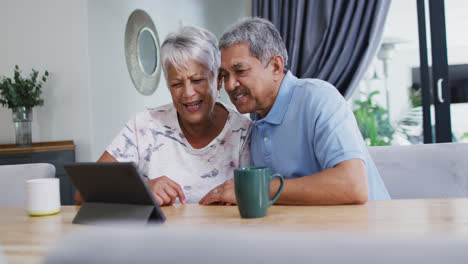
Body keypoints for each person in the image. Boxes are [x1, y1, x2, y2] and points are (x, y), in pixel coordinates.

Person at [199, 17, 390, 206]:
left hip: (370, 232)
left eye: (240, 71)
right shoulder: (255, 127)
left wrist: (255, 188)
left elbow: (353, 186)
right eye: (225, 75)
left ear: (275, 66)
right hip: (312, 233)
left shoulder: (319, 98)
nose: (230, 85)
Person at [75, 26, 251, 206]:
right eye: (176, 84)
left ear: (219, 80)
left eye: (197, 80)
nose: (188, 93)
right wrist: (141, 189)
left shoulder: (243, 131)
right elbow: (83, 194)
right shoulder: (144, 125)